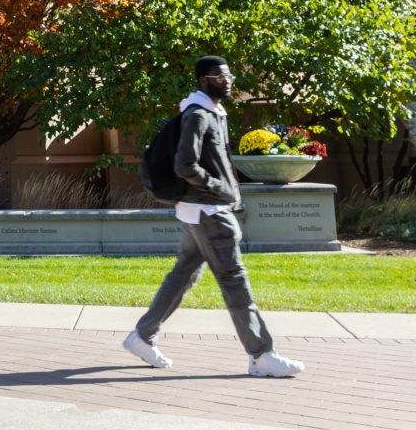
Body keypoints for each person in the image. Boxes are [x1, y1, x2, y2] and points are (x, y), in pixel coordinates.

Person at [123, 56, 306, 379]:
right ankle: (261, 354)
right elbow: (185, 165)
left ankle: (142, 335)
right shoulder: (198, 115)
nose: (228, 81)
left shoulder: (211, 113)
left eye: (229, 75)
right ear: (204, 81)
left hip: (200, 211)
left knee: (183, 275)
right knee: (234, 279)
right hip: (209, 212)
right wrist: (220, 189)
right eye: (220, 77)